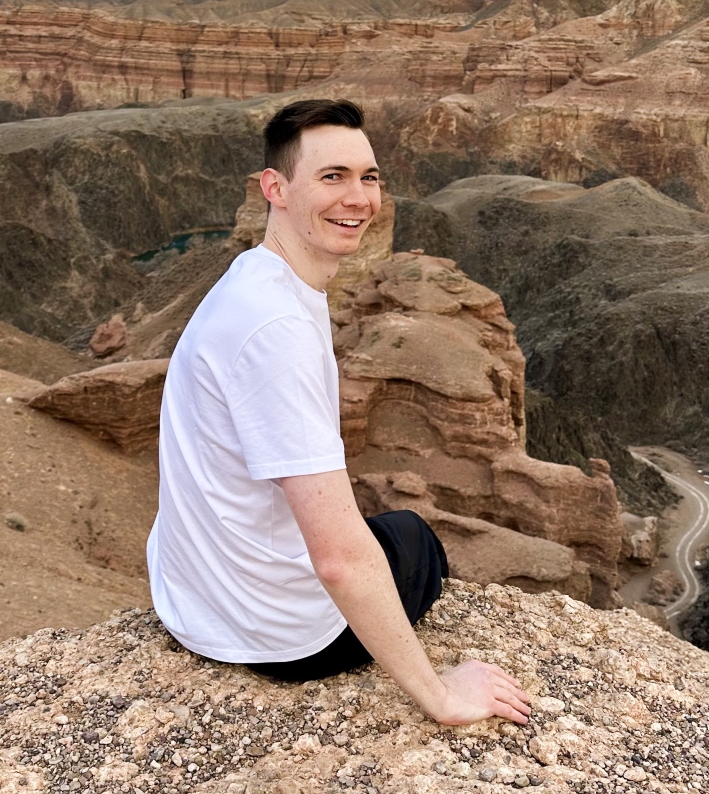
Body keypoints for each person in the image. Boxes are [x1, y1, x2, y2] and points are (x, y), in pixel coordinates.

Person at [146, 99, 531, 726]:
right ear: (274, 188)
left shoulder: (255, 277)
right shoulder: (277, 330)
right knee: (415, 540)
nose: (359, 198)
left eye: (368, 177)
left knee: (373, 525)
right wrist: (440, 694)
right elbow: (338, 560)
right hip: (279, 638)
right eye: (332, 177)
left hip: (192, 599)